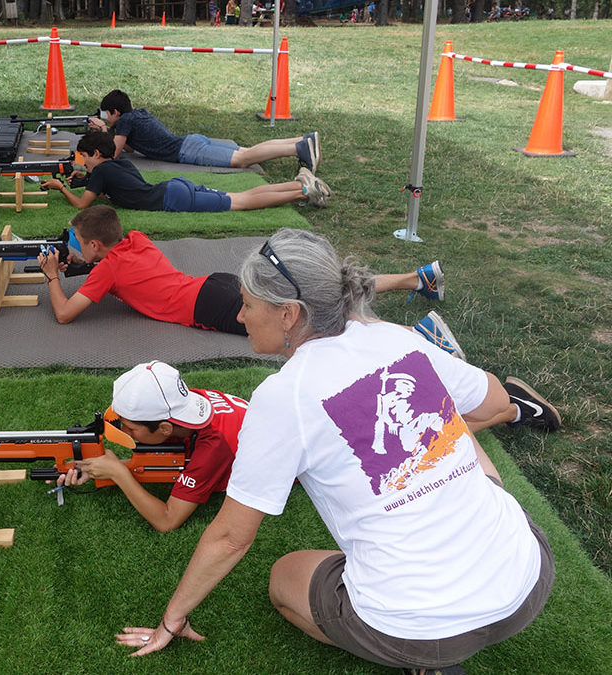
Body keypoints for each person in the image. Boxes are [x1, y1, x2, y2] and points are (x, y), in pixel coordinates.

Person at [113, 229, 556, 675]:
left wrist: (171, 620)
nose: (241, 316)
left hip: (416, 628)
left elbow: (231, 538)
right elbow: (498, 403)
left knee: (284, 579)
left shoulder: (283, 397)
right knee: (447, 424)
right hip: (528, 576)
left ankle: (423, 662)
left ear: (288, 314)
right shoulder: (396, 339)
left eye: (247, 304)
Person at [37, 204, 451, 338]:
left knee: (313, 324)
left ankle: (415, 338)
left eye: (76, 241)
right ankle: (417, 278)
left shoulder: (106, 270)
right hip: (215, 284)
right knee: (316, 291)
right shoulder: (136, 240)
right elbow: (122, 273)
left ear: (94, 246)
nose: (71, 247)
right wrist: (81, 263)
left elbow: (65, 313)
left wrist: (54, 275)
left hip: (209, 305)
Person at [58, 361, 249, 532]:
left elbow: (167, 521)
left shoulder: (213, 447)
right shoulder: (177, 405)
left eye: (131, 427)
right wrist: (93, 468)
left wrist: (118, 473)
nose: (124, 431)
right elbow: (166, 463)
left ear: (165, 428)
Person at [40, 130, 332, 212]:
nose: (83, 163)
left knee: (240, 201)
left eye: (84, 158)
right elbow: (120, 189)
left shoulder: (101, 172)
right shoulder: (117, 164)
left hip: (174, 198)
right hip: (174, 188)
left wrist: (62, 187)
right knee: (239, 194)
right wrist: (87, 180)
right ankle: (299, 186)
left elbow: (81, 204)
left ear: (95, 154)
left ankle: (304, 190)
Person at [86, 90, 321, 171]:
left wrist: (103, 131)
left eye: (106, 114)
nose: (105, 117)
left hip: (187, 151)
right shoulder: (136, 115)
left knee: (242, 159)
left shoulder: (124, 121)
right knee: (246, 150)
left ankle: (299, 149)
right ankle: (302, 139)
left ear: (115, 112)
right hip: (191, 141)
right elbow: (128, 147)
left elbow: (113, 155)